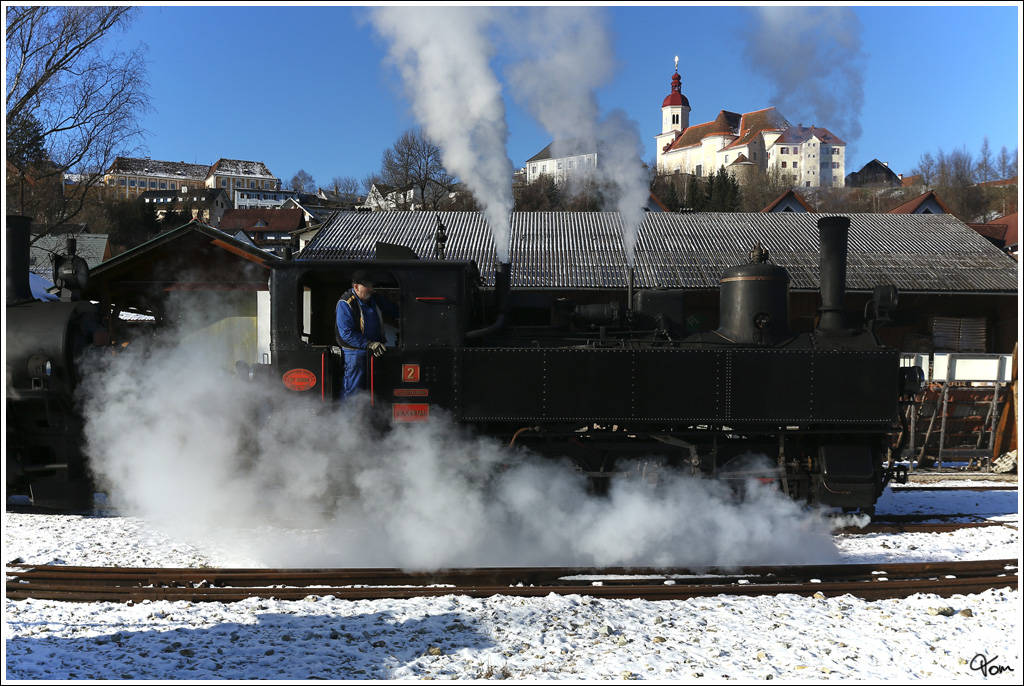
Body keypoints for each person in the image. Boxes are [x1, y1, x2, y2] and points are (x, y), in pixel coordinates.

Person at [335, 270, 399, 399]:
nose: (371, 289)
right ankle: (348, 418)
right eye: (368, 286)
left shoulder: (375, 299)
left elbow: (394, 310)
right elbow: (346, 333)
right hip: (355, 353)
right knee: (353, 390)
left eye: (371, 285)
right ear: (356, 287)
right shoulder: (345, 303)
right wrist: (369, 344)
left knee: (374, 390)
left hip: (375, 351)